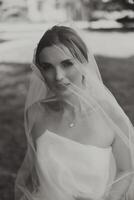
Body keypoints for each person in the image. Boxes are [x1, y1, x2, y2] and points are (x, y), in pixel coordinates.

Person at [15, 25, 134, 200]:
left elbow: (127, 170)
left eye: (67, 64)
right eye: (47, 67)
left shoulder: (111, 116)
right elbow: (35, 173)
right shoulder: (35, 113)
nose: (58, 76)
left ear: (85, 64)